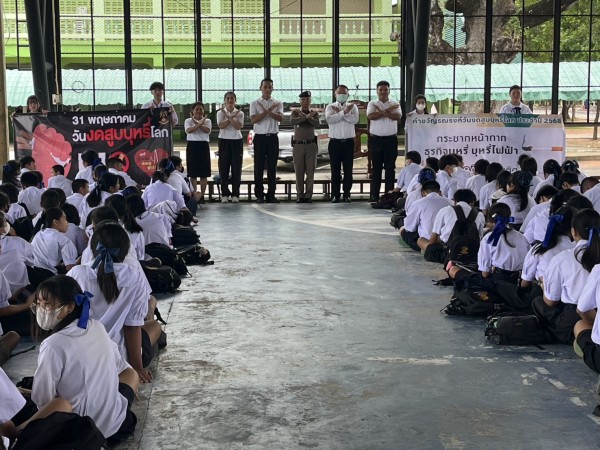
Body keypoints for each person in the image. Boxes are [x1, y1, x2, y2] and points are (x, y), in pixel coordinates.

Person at [30, 275, 139, 445]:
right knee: (131, 375)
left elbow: (42, 400)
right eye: (39, 304)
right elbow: (120, 366)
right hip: (118, 425)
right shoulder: (97, 326)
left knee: (48, 406)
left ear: (69, 307)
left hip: (83, 432)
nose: (41, 309)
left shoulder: (53, 345)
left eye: (48, 304)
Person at [67, 222, 162, 383]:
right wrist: (136, 369)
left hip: (83, 356)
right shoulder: (134, 276)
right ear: (125, 251)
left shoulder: (77, 273)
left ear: (93, 249)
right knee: (155, 326)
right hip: (120, 361)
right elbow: (132, 327)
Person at [533, 208, 600, 344]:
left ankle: (572, 335)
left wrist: (543, 286)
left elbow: (551, 301)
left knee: (537, 302)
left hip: (572, 318)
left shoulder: (562, 259)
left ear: (574, 232)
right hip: (596, 315)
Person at [418, 189, 486, 263]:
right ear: (472, 202)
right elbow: (480, 239)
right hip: (472, 255)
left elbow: (432, 240)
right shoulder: (479, 214)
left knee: (421, 240)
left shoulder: (445, 210)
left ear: (455, 201)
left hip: (448, 255)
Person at [521, 206, 575, 289]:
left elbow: (525, 282)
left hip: (541, 291)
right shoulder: (576, 249)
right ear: (574, 229)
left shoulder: (539, 248)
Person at [366, 80, 402, 202]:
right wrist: (388, 111)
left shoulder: (395, 103)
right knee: (376, 168)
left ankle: (388, 195)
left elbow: (397, 117)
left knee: (390, 168)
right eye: (380, 89)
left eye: (385, 89)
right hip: (376, 140)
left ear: (389, 91)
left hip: (390, 140)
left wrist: (380, 111)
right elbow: (371, 116)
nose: (383, 92)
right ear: (377, 91)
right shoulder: (372, 103)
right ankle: (374, 195)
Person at [250, 78, 284, 204]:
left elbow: (280, 118)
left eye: (270, 87)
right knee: (258, 167)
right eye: (265, 87)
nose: (267, 89)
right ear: (260, 88)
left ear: (273, 88)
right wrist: (267, 112)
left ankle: (271, 194)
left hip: (273, 138)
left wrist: (269, 112)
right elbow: (254, 119)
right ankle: (259, 194)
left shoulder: (278, 103)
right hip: (260, 138)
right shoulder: (254, 103)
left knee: (272, 167)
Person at [325, 85, 359, 203]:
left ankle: (346, 194)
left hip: (348, 142)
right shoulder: (330, 106)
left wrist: (340, 113)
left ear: (348, 94)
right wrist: (344, 112)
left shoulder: (353, 106)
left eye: (344, 93)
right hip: (335, 142)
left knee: (348, 170)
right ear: (335, 94)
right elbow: (330, 120)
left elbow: (354, 120)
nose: (341, 95)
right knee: (335, 170)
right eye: (339, 92)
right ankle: (335, 195)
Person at [401, 180, 451, 252]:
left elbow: (410, 228)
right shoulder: (450, 202)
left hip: (427, 241)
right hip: (447, 241)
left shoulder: (418, 203)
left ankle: (425, 248)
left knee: (403, 229)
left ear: (423, 193)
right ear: (439, 192)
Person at [291, 91, 320, 203]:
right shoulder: (295, 112)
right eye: (303, 99)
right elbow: (293, 121)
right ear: (300, 101)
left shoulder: (314, 113)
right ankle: (300, 195)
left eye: (307, 99)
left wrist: (306, 117)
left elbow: (316, 123)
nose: (305, 102)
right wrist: (307, 117)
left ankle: (308, 195)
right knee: (299, 172)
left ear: (310, 101)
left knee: (310, 172)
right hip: (298, 145)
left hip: (310, 145)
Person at [217, 91, 244, 203]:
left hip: (236, 141)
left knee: (236, 168)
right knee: (223, 168)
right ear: (224, 100)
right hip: (224, 141)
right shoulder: (220, 113)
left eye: (232, 98)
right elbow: (221, 126)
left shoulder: (240, 113)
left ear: (235, 100)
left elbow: (238, 126)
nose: (230, 100)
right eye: (228, 98)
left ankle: (235, 194)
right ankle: (224, 194)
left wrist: (229, 117)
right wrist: (231, 118)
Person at [184, 102, 212, 202]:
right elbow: (189, 131)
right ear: (193, 111)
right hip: (192, 146)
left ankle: (202, 196)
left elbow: (207, 130)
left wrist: (197, 123)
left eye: (201, 109)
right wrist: (199, 123)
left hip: (203, 146)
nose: (199, 111)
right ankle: (195, 196)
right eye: (196, 109)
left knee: (204, 174)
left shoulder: (207, 120)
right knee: (193, 174)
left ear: (203, 111)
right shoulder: (188, 120)